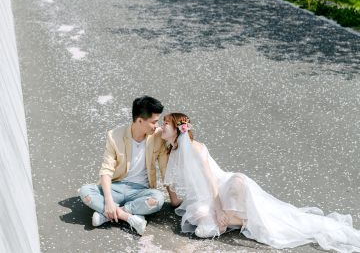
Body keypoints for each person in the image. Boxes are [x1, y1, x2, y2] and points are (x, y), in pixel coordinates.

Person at [162, 113, 360, 252]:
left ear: (179, 129)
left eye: (166, 124)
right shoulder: (174, 151)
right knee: (202, 227)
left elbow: (211, 180)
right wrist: (174, 201)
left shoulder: (196, 148)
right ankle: (235, 221)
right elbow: (176, 196)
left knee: (237, 183)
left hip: (221, 189)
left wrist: (220, 209)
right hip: (203, 199)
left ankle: (238, 219)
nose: (162, 127)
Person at [79, 96, 169, 235]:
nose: (157, 126)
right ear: (140, 120)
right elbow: (106, 170)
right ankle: (129, 217)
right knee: (85, 192)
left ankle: (107, 214)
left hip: (140, 191)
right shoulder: (114, 135)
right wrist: (108, 200)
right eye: (154, 122)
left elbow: (165, 169)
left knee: (158, 199)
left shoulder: (158, 136)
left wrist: (174, 199)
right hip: (116, 187)